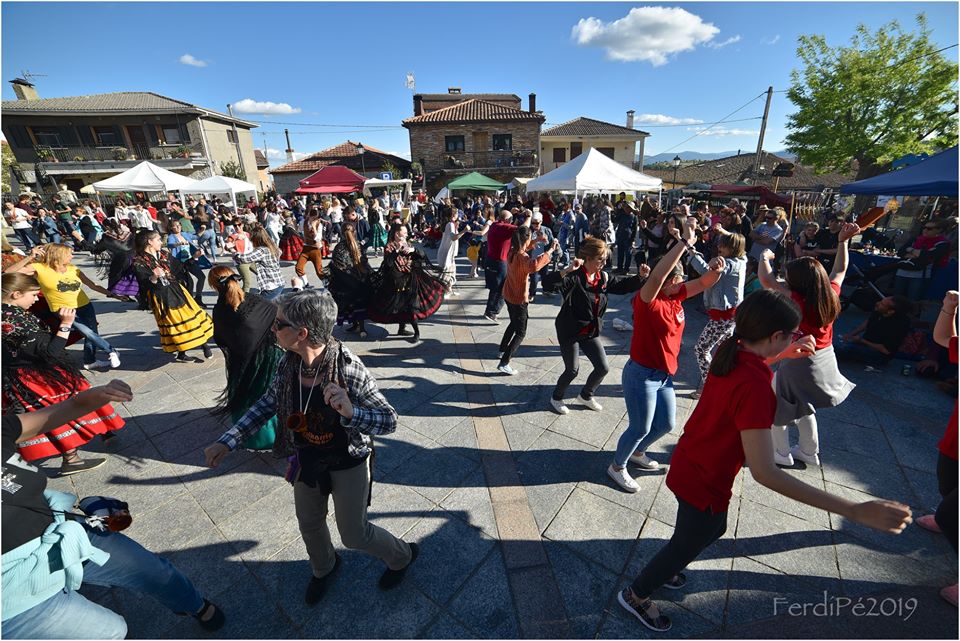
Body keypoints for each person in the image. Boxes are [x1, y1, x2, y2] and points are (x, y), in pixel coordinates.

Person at [616, 290, 913, 632]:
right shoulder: (755, 385)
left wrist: (781, 354)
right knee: (690, 539)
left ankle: (668, 568)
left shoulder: (731, 350)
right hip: (704, 476)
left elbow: (750, 368)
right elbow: (766, 473)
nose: (795, 339)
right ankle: (637, 594)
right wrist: (854, 510)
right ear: (774, 336)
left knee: (712, 529)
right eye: (790, 335)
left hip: (693, 462)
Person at [203, 289, 418, 603]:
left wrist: (352, 411)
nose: (272, 329)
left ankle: (402, 556)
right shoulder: (288, 364)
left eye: (278, 324)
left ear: (301, 333)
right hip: (307, 456)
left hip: (348, 459)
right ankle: (324, 568)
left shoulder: (347, 367)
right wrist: (227, 441)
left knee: (354, 534)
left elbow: (390, 421)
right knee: (309, 523)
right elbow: (266, 404)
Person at [1, 380, 225, 638]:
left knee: (155, 572)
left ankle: (192, 604)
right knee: (111, 631)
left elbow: (51, 415)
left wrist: (93, 397)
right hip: (11, 585)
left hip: (60, 531)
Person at [609, 220, 723, 492]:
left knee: (666, 424)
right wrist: (683, 243)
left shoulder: (676, 297)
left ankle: (638, 453)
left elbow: (707, 281)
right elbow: (658, 276)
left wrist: (717, 268)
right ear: (669, 281)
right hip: (641, 374)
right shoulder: (648, 300)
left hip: (663, 375)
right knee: (639, 427)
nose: (682, 283)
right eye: (679, 279)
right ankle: (617, 466)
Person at [758, 222, 860, 467]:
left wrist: (764, 255)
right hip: (825, 357)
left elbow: (766, 280)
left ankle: (781, 454)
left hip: (798, 359)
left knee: (777, 406)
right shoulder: (830, 294)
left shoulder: (796, 300)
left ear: (798, 284)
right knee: (804, 406)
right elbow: (841, 268)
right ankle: (808, 451)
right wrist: (843, 241)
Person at [2, 272, 125, 475]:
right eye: (32, 295)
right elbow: (51, 352)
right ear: (15, 294)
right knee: (58, 414)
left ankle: (84, 448)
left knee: (57, 411)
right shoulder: (13, 320)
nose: (35, 299)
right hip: (36, 377)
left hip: (23, 375)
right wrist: (66, 323)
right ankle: (72, 458)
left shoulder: (11, 313)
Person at [542, 237, 649, 415]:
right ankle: (556, 397)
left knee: (603, 367)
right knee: (572, 370)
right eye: (600, 259)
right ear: (588, 258)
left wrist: (640, 277)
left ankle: (585, 395)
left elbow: (622, 286)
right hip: (570, 330)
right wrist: (567, 269)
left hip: (590, 330)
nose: (604, 262)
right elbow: (548, 283)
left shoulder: (603, 277)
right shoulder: (575, 276)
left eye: (605, 258)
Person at [914, 290, 958, 606]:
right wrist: (949, 306)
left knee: (950, 512)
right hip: (955, 439)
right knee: (947, 484)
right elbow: (943, 337)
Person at [208, 266, 282, 450]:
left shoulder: (219, 311)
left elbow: (221, 339)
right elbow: (277, 317)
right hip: (270, 358)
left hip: (242, 364)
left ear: (214, 286)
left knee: (249, 398)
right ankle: (281, 433)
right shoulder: (256, 300)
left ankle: (257, 439)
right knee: (273, 396)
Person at [24, 243, 123, 370]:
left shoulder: (73, 268)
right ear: (58, 255)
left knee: (92, 332)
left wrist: (114, 295)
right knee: (87, 331)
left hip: (84, 305)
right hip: (63, 309)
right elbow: (7, 273)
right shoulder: (39, 268)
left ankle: (90, 361)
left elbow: (93, 285)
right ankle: (111, 350)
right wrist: (30, 257)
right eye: (69, 253)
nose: (72, 255)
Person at [132, 230, 214, 363]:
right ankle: (189, 349)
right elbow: (144, 283)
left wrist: (194, 257)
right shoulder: (139, 260)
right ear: (149, 242)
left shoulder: (164, 254)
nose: (160, 242)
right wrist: (154, 276)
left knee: (194, 315)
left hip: (177, 290)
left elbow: (180, 267)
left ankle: (202, 344)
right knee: (177, 323)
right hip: (162, 296)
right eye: (158, 239)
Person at [688, 229, 748, 397]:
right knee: (724, 353)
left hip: (723, 317)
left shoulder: (729, 264)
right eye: (720, 243)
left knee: (701, 349)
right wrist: (723, 231)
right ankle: (724, 384)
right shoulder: (742, 259)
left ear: (733, 248)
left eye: (724, 245)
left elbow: (706, 271)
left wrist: (690, 252)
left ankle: (710, 387)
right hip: (729, 315)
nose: (719, 246)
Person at [496, 227, 559, 375]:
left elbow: (523, 245)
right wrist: (549, 251)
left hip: (509, 293)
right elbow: (535, 265)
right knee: (521, 332)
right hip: (518, 297)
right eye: (530, 237)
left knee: (513, 322)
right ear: (525, 239)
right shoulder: (523, 257)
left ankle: (502, 349)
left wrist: (536, 240)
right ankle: (504, 362)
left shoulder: (512, 251)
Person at [368, 223, 445, 343]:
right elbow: (387, 264)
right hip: (396, 282)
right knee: (401, 307)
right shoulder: (389, 246)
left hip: (411, 280)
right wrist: (397, 251)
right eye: (404, 232)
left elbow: (422, 255)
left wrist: (413, 250)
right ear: (397, 234)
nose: (406, 234)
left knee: (412, 307)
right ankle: (402, 328)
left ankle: (416, 332)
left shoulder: (407, 244)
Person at [475, 209, 525, 322]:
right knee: (503, 288)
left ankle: (489, 311)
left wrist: (515, 214)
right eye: (511, 220)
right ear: (507, 220)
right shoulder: (504, 227)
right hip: (499, 262)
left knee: (495, 288)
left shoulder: (494, 225)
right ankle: (492, 312)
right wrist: (527, 216)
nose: (512, 222)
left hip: (491, 260)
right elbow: (523, 229)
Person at [835, 296, 913, 367]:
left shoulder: (899, 326)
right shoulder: (880, 311)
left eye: (882, 304)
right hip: (865, 343)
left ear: (890, 311)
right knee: (839, 345)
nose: (878, 303)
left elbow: (886, 351)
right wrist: (850, 335)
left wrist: (861, 340)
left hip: (878, 355)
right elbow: (867, 322)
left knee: (846, 350)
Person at [329, 222, 372, 337]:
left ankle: (355, 324)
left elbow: (335, 265)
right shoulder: (358, 245)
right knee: (359, 304)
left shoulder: (339, 247)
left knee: (349, 304)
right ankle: (361, 328)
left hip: (345, 282)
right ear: (355, 232)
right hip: (359, 280)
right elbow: (364, 262)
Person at [893, 219, 950, 301]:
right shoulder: (915, 239)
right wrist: (918, 254)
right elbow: (901, 252)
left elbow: (929, 256)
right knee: (895, 300)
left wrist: (911, 250)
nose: (925, 230)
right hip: (902, 272)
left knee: (913, 301)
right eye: (924, 228)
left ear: (939, 230)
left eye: (929, 228)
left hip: (920, 276)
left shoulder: (942, 243)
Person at [234, 225, 284, 301]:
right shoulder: (272, 246)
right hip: (278, 282)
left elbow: (244, 258)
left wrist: (235, 253)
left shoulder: (262, 250)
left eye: (252, 239)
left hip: (271, 286)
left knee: (260, 307)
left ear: (256, 239)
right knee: (272, 307)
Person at [166, 220, 207, 306]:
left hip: (190, 260)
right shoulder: (171, 236)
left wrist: (202, 229)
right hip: (180, 262)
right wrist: (178, 244)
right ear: (171, 228)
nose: (178, 227)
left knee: (201, 277)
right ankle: (189, 301)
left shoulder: (184, 234)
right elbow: (170, 244)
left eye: (179, 225)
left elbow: (196, 236)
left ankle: (198, 297)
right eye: (175, 226)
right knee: (189, 282)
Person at [435, 207, 468, 296]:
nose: (458, 215)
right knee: (447, 273)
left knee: (452, 272)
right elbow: (453, 237)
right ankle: (443, 292)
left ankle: (448, 289)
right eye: (457, 213)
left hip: (449, 253)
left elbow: (454, 236)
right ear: (453, 215)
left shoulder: (451, 224)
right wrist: (464, 231)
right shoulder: (450, 224)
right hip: (447, 253)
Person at [295, 209, 326, 289]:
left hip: (315, 249)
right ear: (310, 216)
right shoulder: (303, 222)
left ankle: (327, 286)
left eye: (317, 219)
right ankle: (306, 284)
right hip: (306, 248)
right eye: (314, 218)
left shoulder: (319, 225)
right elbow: (299, 230)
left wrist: (314, 227)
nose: (316, 220)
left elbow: (318, 238)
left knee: (319, 271)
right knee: (298, 267)